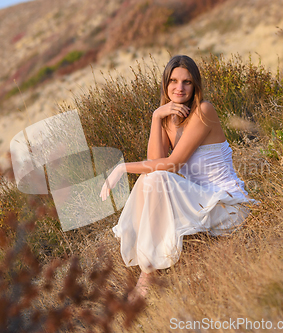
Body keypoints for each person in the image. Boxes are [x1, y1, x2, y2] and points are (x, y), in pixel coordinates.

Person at [99, 55, 255, 299]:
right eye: (173, 81)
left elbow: (170, 165)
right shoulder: (169, 117)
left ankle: (147, 274)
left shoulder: (205, 111)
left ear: (196, 87)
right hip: (198, 204)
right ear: (165, 84)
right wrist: (156, 118)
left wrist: (121, 168)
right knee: (151, 179)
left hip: (226, 207)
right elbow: (155, 162)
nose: (179, 88)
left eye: (187, 82)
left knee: (157, 178)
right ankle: (150, 264)